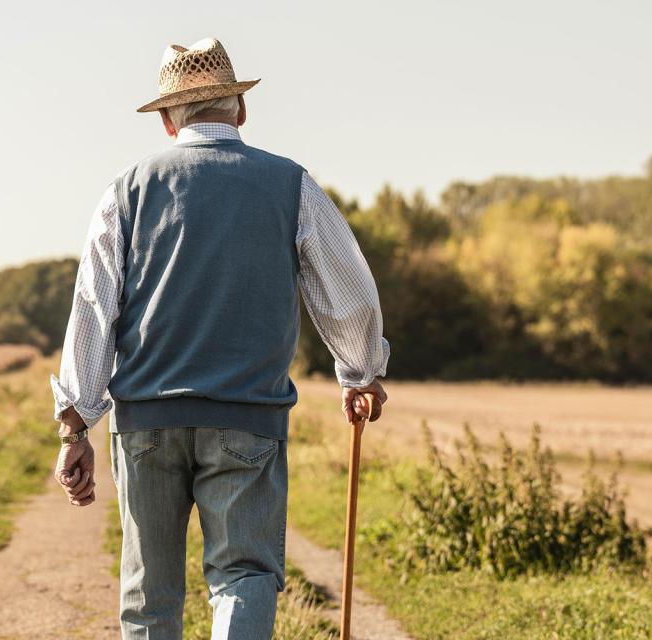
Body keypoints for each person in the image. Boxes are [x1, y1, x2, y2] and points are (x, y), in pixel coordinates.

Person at [50, 37, 390, 640]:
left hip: (146, 423)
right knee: (243, 576)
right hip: (248, 418)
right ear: (239, 109)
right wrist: (359, 372)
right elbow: (350, 291)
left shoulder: (125, 191)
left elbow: (93, 310)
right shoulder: (291, 185)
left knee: (149, 593)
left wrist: (76, 425)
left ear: (165, 120)